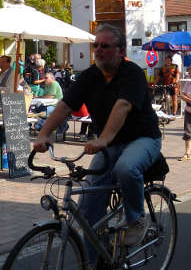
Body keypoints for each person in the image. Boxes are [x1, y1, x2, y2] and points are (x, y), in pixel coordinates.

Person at [33, 24, 162, 262]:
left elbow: (123, 105)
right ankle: (95, 264)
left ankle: (136, 219)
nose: (99, 50)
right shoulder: (90, 76)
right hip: (109, 144)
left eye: (105, 46)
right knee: (87, 211)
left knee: (126, 167)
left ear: (120, 50)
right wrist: (44, 133)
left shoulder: (132, 73)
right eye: (96, 46)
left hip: (143, 138)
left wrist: (104, 138)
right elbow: (64, 105)